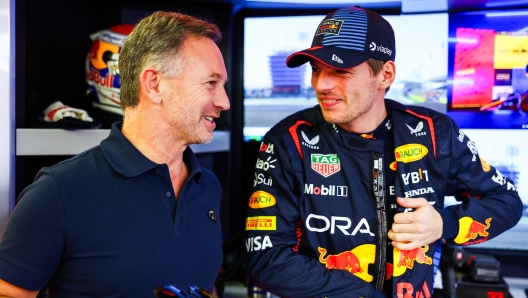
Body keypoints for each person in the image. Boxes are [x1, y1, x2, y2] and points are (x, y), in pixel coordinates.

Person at [245, 6, 523, 298]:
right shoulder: (288, 140)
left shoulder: (434, 133)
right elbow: (267, 261)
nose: (321, 84)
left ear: (385, 75)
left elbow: (507, 201)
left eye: (340, 70)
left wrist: (444, 223)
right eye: (316, 69)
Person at [0, 11, 229, 297]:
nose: (224, 102)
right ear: (154, 84)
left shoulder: (207, 187)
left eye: (223, 86)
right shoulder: (58, 192)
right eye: (211, 83)